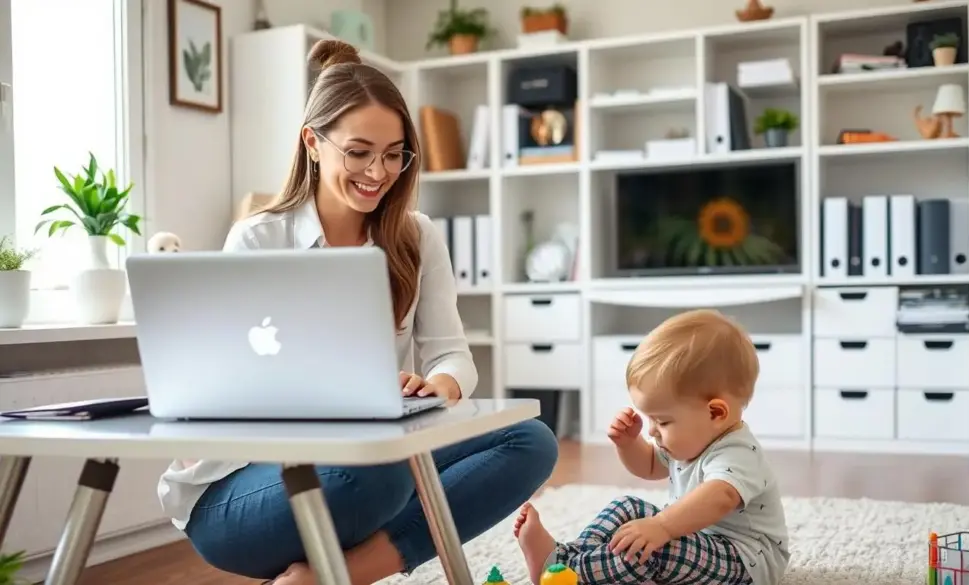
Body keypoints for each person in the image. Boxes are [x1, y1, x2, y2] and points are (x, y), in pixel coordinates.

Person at [159, 39, 559, 585]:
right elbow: (225, 386)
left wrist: (439, 388)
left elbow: (451, 353)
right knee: (382, 472)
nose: (379, 171)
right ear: (313, 143)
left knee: (529, 439)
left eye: (394, 153)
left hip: (375, 458)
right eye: (359, 151)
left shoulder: (417, 237)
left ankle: (334, 575)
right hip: (240, 488)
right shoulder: (258, 239)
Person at [513, 309, 790, 585]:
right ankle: (566, 559)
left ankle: (568, 574)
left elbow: (720, 497)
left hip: (744, 560)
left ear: (715, 413)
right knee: (626, 507)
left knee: (651, 548)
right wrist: (629, 443)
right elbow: (647, 466)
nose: (653, 430)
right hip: (696, 541)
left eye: (664, 421)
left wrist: (662, 526)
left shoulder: (739, 453)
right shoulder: (691, 439)